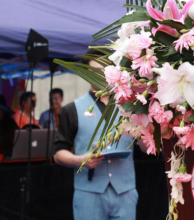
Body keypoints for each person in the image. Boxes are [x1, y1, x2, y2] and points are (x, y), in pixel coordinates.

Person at [54, 58, 137, 220]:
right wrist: (79, 160)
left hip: (125, 191)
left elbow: (145, 147)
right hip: (88, 193)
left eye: (105, 69)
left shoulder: (131, 106)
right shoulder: (71, 109)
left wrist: (140, 135)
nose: (100, 74)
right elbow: (58, 153)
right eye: (95, 70)